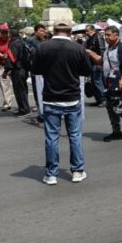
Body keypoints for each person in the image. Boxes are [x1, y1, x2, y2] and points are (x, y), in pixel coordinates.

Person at [31, 21, 91, 185]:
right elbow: (86, 71)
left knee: (51, 137)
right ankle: (77, 170)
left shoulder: (43, 47)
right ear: (70, 31)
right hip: (72, 97)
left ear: (53, 30)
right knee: (75, 135)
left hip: (51, 97)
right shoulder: (77, 48)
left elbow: (35, 70)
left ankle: (51, 174)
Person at [89, 25, 122, 142]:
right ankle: (116, 131)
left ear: (116, 35)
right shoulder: (109, 48)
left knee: (118, 107)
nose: (106, 37)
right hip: (110, 81)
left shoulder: (121, 48)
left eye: (108, 35)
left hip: (119, 81)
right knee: (110, 106)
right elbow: (102, 61)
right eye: (105, 35)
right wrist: (90, 53)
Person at [6, 28, 31, 117]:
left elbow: (12, 58)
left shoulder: (13, 44)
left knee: (19, 91)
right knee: (24, 90)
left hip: (17, 70)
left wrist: (6, 71)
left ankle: (24, 110)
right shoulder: (22, 42)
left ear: (11, 34)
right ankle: (25, 108)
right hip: (24, 69)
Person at [83, 25, 106, 107]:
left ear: (92, 30)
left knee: (97, 81)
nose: (86, 32)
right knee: (94, 82)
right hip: (92, 63)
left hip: (97, 63)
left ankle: (103, 99)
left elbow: (102, 50)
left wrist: (101, 63)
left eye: (87, 30)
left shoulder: (98, 37)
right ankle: (98, 99)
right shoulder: (90, 39)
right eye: (85, 31)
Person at [0, 24, 14, 111]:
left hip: (13, 65)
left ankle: (22, 103)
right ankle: (7, 103)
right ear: (0, 33)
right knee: (4, 85)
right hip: (2, 65)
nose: (5, 34)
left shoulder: (11, 40)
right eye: (3, 33)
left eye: (6, 32)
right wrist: (2, 55)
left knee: (16, 85)